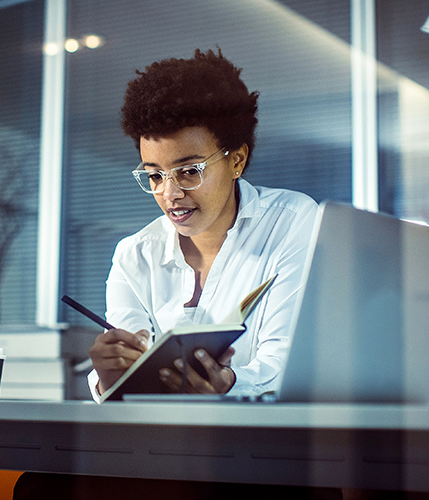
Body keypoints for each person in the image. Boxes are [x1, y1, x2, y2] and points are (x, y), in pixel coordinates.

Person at [87, 48, 319, 401]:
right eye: (154, 176)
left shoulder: (291, 222)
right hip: (159, 445)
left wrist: (230, 384)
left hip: (262, 442)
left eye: (189, 171)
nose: (170, 193)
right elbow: (131, 385)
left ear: (237, 159)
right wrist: (110, 378)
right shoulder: (135, 256)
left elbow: (287, 363)